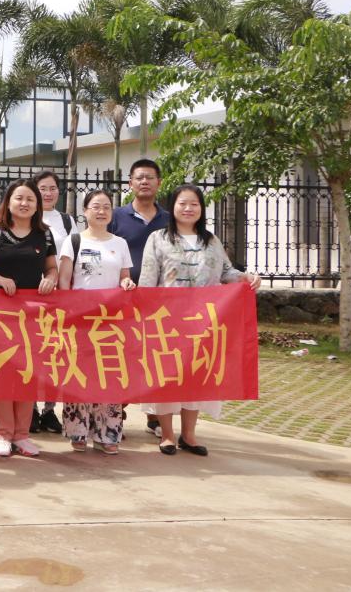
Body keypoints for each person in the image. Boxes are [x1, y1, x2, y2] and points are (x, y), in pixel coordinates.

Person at [138, 184, 260, 457]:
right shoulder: (158, 239)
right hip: (167, 321)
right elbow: (147, 281)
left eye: (194, 204)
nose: (188, 208)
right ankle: (167, 434)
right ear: (173, 207)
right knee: (168, 376)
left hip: (203, 322)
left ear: (201, 209)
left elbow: (227, 272)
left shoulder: (211, 241)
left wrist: (246, 277)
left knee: (197, 375)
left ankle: (189, 435)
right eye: (182, 203)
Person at [0, 178, 57, 458]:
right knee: (3, 374)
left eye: (30, 199)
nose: (24, 203)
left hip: (32, 316)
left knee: (28, 374)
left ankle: (22, 434)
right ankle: (2, 433)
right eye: (19, 198)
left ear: (37, 205)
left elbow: (52, 268)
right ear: (8, 202)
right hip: (0, 315)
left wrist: (50, 279)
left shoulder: (44, 235)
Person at [56, 189, 135, 454]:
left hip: (111, 322)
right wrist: (67, 313)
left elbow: (124, 276)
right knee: (79, 374)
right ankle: (77, 430)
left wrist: (127, 282)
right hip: (80, 320)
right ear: (85, 211)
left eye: (106, 207)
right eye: (96, 206)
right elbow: (64, 280)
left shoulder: (120, 243)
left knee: (109, 374)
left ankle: (108, 433)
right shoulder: (74, 240)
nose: (101, 211)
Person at [108, 158, 172, 437]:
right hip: (123, 300)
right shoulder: (115, 217)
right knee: (123, 358)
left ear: (159, 183)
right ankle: (115, 414)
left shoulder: (169, 220)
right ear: (130, 183)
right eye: (139, 178)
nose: (144, 182)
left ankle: (156, 418)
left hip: (161, 304)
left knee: (156, 358)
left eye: (150, 177)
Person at [31, 170, 76, 435]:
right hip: (30, 295)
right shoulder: (27, 216)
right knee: (31, 353)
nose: (48, 194)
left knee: (54, 355)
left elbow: (74, 255)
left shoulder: (67, 221)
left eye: (52, 188)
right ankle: (30, 409)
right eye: (42, 188)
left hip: (58, 296)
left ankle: (49, 409)